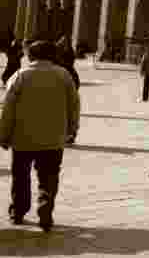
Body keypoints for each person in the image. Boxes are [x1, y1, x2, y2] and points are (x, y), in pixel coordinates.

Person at [0, 40, 80, 231]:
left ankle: (18, 211)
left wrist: (3, 135)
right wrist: (72, 130)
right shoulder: (64, 76)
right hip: (53, 139)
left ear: (31, 56)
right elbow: (74, 105)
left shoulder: (20, 76)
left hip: (23, 139)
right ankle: (45, 210)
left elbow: (7, 109)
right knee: (49, 177)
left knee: (21, 176)